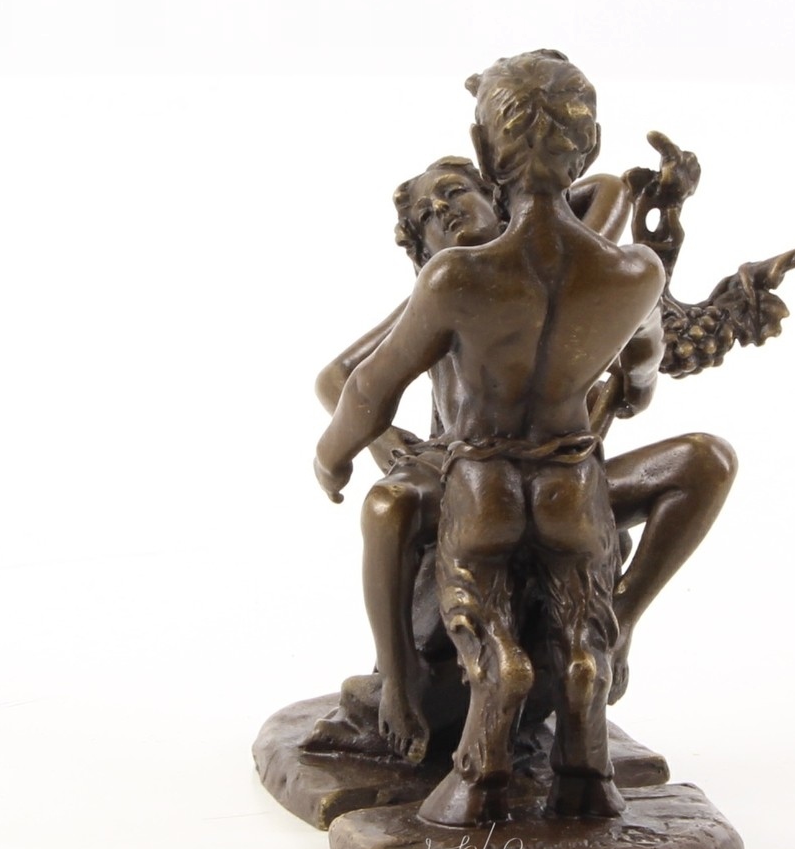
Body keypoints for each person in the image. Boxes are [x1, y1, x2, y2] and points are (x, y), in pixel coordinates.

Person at [316, 50, 666, 825]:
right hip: (571, 477)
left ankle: (482, 771)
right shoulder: (636, 272)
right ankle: (586, 771)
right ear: (593, 144)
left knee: (485, 621)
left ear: (482, 154)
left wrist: (330, 456)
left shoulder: (458, 280)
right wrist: (633, 388)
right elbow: (643, 366)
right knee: (582, 620)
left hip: (482, 481)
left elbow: (369, 389)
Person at [311, 155, 738, 767]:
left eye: (455, 192)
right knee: (388, 506)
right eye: (427, 216)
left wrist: (534, 200)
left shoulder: (575, 272)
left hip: (567, 475)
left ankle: (621, 618)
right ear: (422, 251)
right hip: (466, 474)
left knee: (705, 460)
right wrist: (382, 442)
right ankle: (400, 680)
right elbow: (341, 379)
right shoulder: (444, 287)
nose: (445, 212)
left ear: (498, 197)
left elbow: (606, 191)